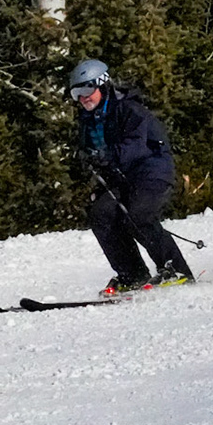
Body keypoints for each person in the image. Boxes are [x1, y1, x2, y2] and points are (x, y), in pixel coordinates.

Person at [67, 59, 195, 296]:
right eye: (77, 93)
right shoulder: (88, 120)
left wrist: (107, 155)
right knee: (101, 214)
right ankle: (132, 275)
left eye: (86, 90)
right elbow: (92, 152)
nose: (83, 98)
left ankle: (176, 270)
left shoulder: (129, 109)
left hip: (152, 171)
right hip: (123, 177)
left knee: (139, 214)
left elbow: (136, 146)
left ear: (102, 85)